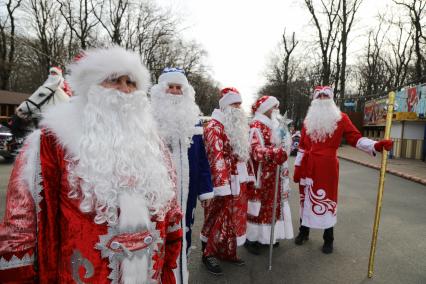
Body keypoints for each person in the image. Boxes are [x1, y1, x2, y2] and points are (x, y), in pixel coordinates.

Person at [0, 46, 182, 283]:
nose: (125, 90)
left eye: (131, 82)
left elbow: (171, 211)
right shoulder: (50, 143)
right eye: (114, 80)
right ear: (91, 87)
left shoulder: (153, 144)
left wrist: (169, 267)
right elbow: (21, 223)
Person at [293, 85, 393, 254]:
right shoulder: (308, 120)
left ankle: (328, 238)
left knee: (327, 201)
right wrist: (297, 167)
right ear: (315, 100)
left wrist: (375, 145)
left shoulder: (341, 118)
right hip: (308, 167)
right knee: (306, 200)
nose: (323, 99)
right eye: (320, 96)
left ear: (331, 99)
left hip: (328, 168)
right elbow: (302, 146)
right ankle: (304, 232)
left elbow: (355, 138)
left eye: (326, 96)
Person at [150, 67, 213, 284]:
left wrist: (206, 190)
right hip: (157, 196)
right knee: (158, 239)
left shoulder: (194, 121)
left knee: (184, 234)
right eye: (171, 87)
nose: (175, 92)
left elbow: (203, 159)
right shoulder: (148, 120)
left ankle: (179, 277)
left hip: (188, 193)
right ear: (161, 90)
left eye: (179, 88)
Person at [200, 87, 253, 275]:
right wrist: (223, 186)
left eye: (239, 103)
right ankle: (208, 254)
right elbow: (216, 158)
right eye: (234, 103)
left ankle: (226, 251)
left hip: (236, 181)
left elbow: (243, 153)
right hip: (220, 183)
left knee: (230, 220)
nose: (238, 107)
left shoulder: (234, 125)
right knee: (216, 219)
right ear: (224, 106)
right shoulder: (214, 126)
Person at [245, 96, 294, 255]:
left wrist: (286, 144)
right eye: (273, 106)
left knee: (272, 207)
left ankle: (268, 238)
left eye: (277, 106)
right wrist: (274, 153)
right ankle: (252, 239)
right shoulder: (255, 126)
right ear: (263, 108)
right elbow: (255, 150)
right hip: (261, 176)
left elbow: (284, 145)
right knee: (258, 208)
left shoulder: (276, 125)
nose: (276, 109)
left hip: (276, 176)